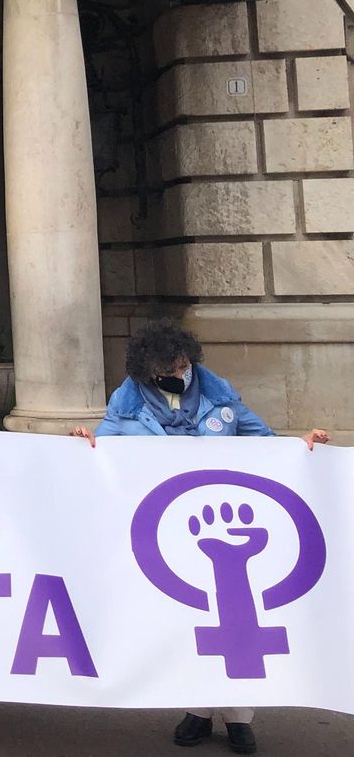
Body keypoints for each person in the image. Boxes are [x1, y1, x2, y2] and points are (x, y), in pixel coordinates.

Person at [70, 318, 329, 756]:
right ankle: (198, 709)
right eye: (168, 367)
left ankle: (239, 717)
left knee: (235, 623)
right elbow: (107, 440)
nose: (178, 371)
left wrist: (298, 446)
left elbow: (261, 439)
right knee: (186, 619)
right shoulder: (128, 399)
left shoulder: (218, 394)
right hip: (167, 528)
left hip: (221, 525)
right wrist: (86, 439)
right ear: (149, 368)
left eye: (182, 363)